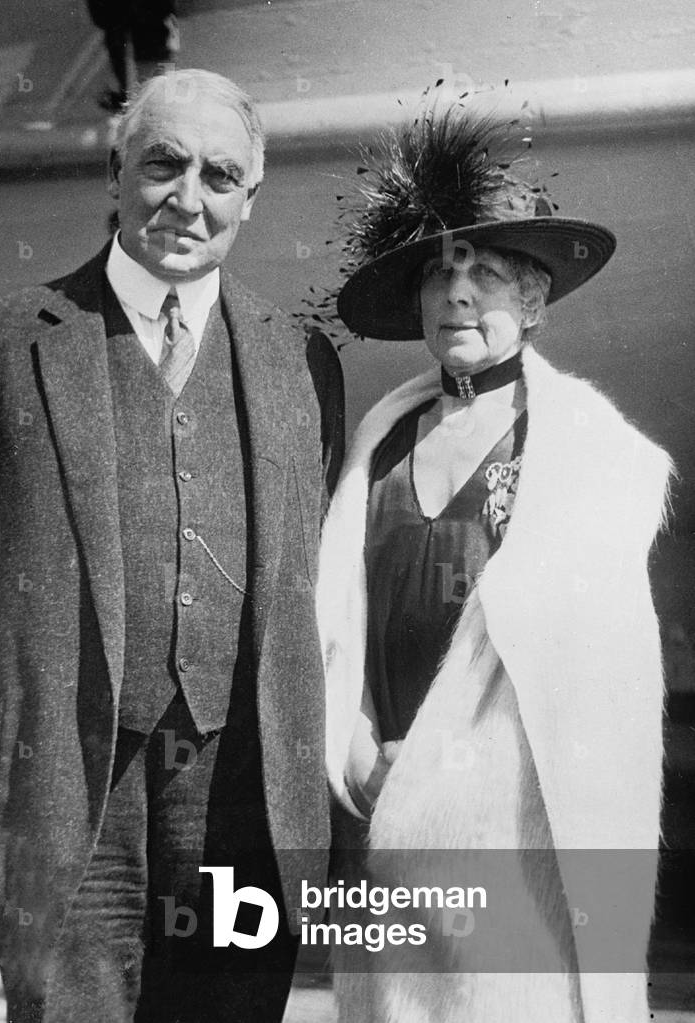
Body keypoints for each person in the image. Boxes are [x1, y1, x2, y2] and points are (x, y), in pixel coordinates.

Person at [0, 68, 344, 1023]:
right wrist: (21, 712)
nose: (188, 198)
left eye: (220, 176)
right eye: (162, 165)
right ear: (115, 173)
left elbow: (302, 569)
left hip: (240, 786)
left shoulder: (299, 359)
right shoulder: (0, 346)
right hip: (66, 785)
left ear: (252, 199)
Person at [316, 100, 671, 1023]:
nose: (458, 294)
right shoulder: (379, 445)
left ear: (536, 300)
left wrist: (444, 775)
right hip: (380, 816)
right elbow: (339, 623)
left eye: (485, 272)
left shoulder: (586, 454)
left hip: (512, 833)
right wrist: (354, 738)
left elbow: (593, 694)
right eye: (440, 272)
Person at [87, 0, 180, 111]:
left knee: (159, 82)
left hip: (153, 40)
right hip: (152, 41)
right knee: (159, 86)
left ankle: (158, 105)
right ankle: (159, 105)